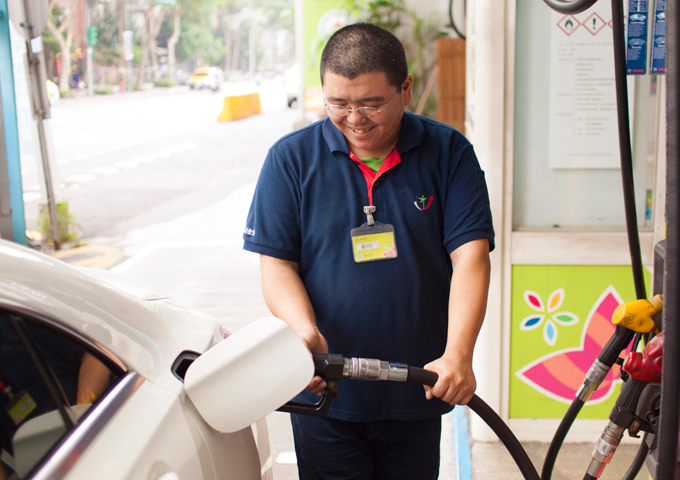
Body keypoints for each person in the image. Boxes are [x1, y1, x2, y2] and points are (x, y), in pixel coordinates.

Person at [243, 23, 494, 480]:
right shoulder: (291, 159)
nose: (355, 118)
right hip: (325, 388)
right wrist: (303, 331)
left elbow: (471, 257)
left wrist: (459, 353)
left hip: (417, 386)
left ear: (406, 89)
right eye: (338, 103)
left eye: (371, 103)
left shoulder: (447, 153)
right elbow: (277, 263)